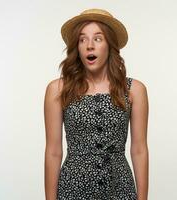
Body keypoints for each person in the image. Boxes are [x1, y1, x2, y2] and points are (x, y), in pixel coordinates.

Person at [44, 8, 149, 200]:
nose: (89, 46)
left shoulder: (134, 90)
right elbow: (53, 151)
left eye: (98, 39)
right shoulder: (58, 89)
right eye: (82, 39)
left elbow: (139, 149)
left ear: (110, 45)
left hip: (120, 189)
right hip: (72, 190)